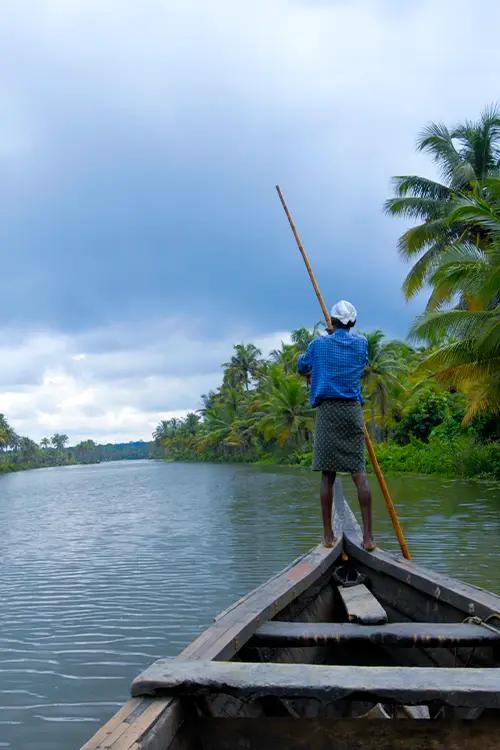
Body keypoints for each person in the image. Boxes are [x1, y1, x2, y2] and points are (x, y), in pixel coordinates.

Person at [297, 300, 375, 551]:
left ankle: (328, 537)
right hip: (352, 411)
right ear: (352, 322)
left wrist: (326, 338)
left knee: (327, 476)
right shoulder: (362, 343)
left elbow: (302, 366)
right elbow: (360, 362)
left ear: (331, 321)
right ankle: (368, 538)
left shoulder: (318, 344)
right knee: (359, 474)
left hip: (328, 411)